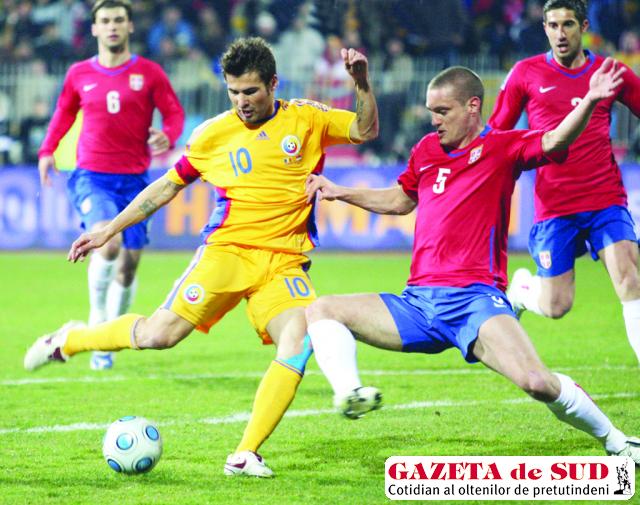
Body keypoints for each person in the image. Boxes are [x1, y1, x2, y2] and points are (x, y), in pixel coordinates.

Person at [25, 36, 379, 477]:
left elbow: (365, 129)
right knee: (157, 336)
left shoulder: (308, 118)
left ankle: (244, 454)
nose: (241, 101)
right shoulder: (214, 134)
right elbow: (166, 187)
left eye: (250, 91)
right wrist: (109, 229)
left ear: (273, 84)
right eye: (233, 91)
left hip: (284, 262)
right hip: (226, 254)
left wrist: (362, 84)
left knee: (299, 339)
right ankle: (70, 340)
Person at [304, 63, 640, 463]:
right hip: (418, 304)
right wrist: (340, 191)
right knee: (322, 309)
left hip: (474, 301)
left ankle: (617, 442)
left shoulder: (504, 147)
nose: (434, 120)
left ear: (472, 106)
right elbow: (400, 199)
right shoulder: (426, 150)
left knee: (537, 382)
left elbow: (553, 140)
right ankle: (350, 394)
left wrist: (589, 100)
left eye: (442, 111)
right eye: (431, 111)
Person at [487, 0, 640, 363]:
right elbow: (496, 133)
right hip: (555, 205)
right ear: (544, 28)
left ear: (583, 27)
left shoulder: (609, 72)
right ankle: (522, 290)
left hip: (605, 198)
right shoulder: (525, 73)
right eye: (553, 25)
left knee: (630, 279)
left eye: (568, 24)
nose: (560, 33)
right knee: (556, 305)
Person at [37, 0, 185, 371]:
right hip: (92, 176)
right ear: (94, 29)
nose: (112, 26)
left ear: (130, 26)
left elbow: (174, 112)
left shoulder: (149, 73)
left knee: (128, 267)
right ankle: (97, 321)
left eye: (119, 20)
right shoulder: (79, 73)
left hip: (135, 181)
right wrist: (47, 150)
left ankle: (108, 340)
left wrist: (168, 135)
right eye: (105, 21)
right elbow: (64, 112)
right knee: (108, 241)